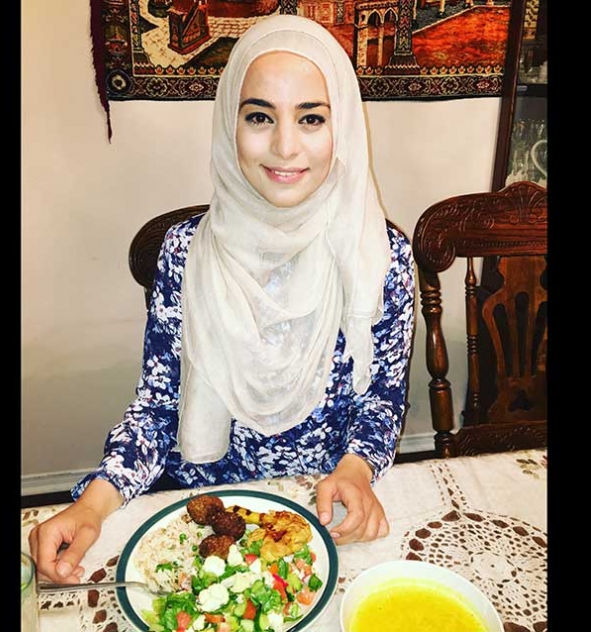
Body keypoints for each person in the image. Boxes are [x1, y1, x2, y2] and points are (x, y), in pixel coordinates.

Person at [30, 14, 416, 584]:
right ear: (228, 124)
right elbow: (160, 409)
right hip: (206, 516)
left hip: (323, 516)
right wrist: (94, 503)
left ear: (345, 130)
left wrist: (357, 470)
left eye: (312, 118)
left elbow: (380, 404)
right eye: (260, 116)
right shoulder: (186, 254)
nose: (285, 147)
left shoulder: (379, 256)